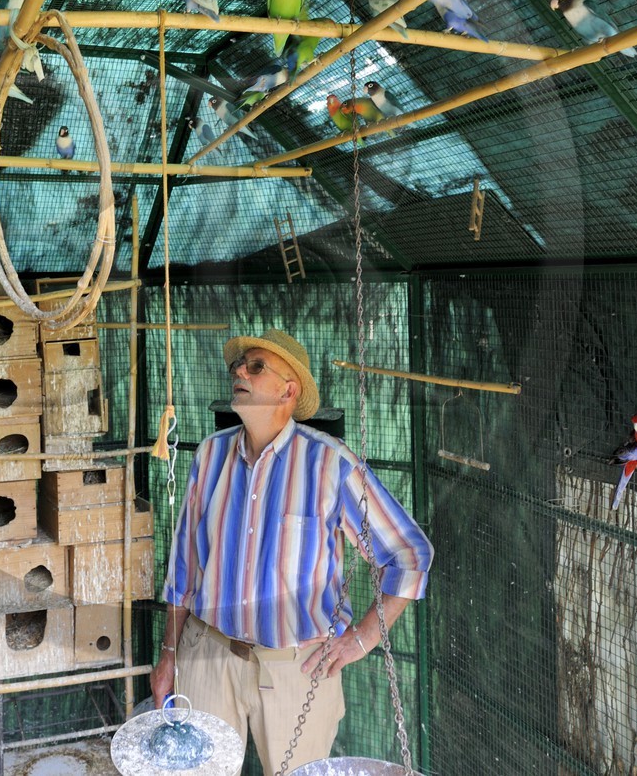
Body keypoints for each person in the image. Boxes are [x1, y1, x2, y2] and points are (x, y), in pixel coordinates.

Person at [151, 329, 433, 773]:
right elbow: (183, 570)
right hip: (206, 656)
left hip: (297, 671)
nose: (239, 372)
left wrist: (363, 638)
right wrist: (168, 654)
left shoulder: (331, 463)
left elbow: (409, 553)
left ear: (289, 389)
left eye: (256, 366)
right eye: (237, 367)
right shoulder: (209, 455)